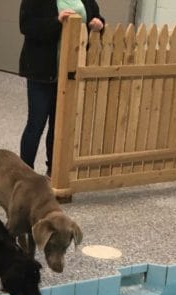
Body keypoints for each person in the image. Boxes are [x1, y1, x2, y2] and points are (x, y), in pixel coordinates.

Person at [18, 0, 104, 178]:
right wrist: (56, 21)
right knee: (36, 123)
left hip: (69, 74)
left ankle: (53, 171)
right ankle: (24, 175)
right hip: (41, 71)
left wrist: (99, 23)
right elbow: (27, 26)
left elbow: (95, 15)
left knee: (59, 125)